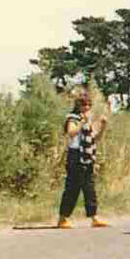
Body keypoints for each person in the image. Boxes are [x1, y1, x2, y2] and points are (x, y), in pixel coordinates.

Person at [56, 88, 109, 229]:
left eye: (88, 105)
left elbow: (94, 138)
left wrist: (103, 127)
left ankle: (94, 217)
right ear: (78, 106)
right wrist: (82, 122)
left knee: (89, 188)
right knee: (72, 188)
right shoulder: (73, 118)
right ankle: (63, 218)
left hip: (87, 156)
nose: (86, 108)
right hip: (75, 156)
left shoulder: (87, 121)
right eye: (83, 105)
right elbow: (71, 132)